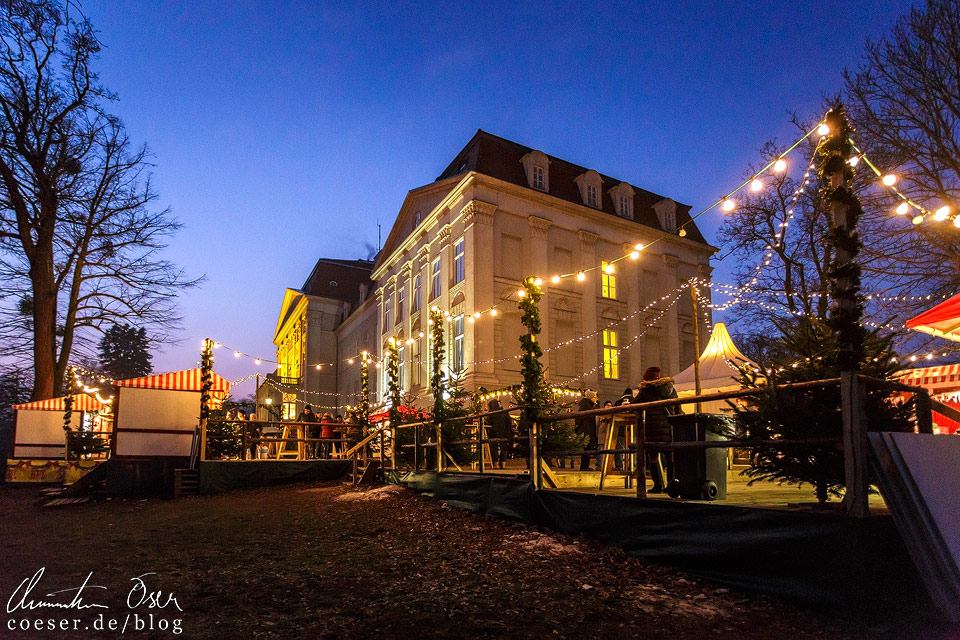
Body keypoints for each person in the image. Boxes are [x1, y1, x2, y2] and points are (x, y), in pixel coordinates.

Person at [633, 366, 679, 493]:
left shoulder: (646, 391)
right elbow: (678, 406)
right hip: (669, 426)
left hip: (653, 428)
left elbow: (634, 405)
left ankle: (658, 485)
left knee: (653, 456)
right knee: (670, 456)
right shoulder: (670, 388)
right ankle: (672, 485)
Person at [486, 398, 512, 470]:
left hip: (493, 432)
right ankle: (503, 463)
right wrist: (509, 431)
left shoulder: (491, 414)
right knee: (504, 447)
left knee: (494, 448)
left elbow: (488, 422)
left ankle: (496, 464)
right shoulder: (504, 412)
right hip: (504, 432)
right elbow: (509, 422)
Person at [575, 390, 598, 471]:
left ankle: (584, 466)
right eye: (595, 397)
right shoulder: (587, 406)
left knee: (586, 449)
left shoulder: (585, 405)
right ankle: (584, 466)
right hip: (587, 431)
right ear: (591, 398)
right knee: (586, 449)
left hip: (584, 430)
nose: (596, 399)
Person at [596, 400, 613, 469]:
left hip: (609, 435)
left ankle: (608, 465)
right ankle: (599, 465)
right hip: (601, 435)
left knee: (608, 450)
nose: (609, 407)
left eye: (610, 405)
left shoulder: (612, 415)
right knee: (601, 450)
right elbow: (597, 425)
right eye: (607, 405)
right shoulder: (600, 414)